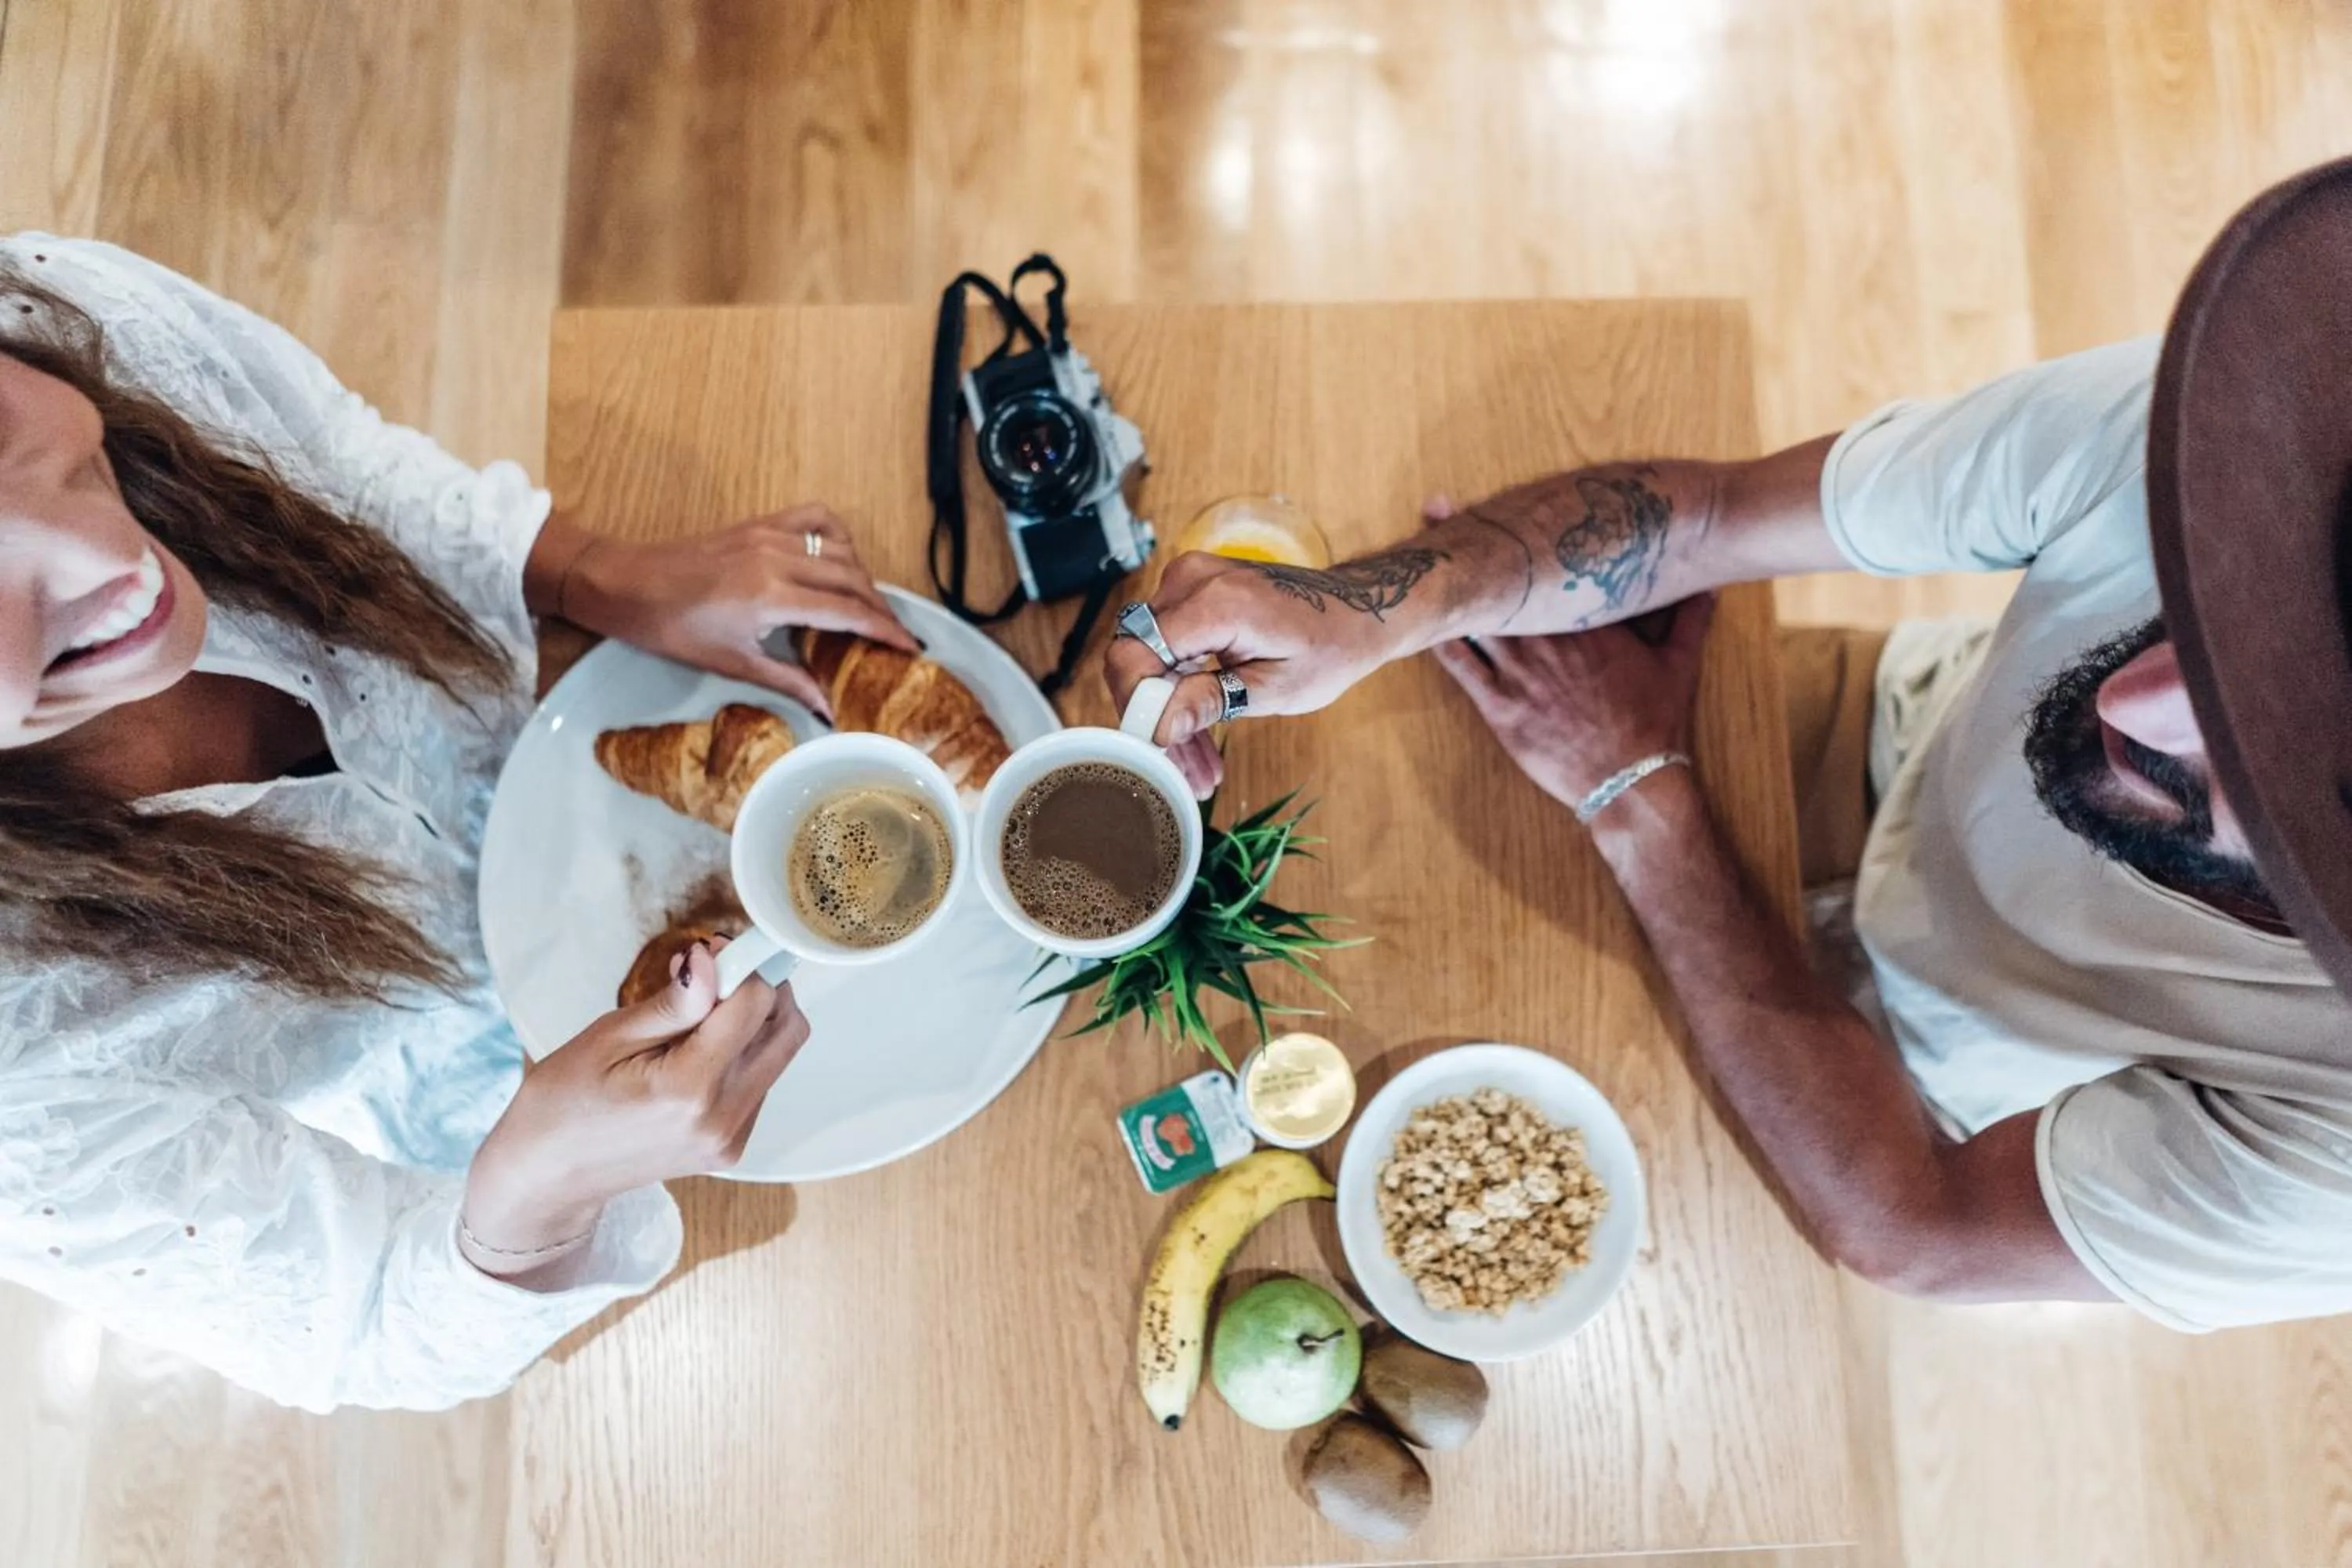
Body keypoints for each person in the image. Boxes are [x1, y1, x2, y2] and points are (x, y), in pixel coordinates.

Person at [1107, 159, 2352, 1332]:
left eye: (2259, 763)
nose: (2131, 703)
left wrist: (1643, 803)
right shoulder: (2251, 440)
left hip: (1911, 1093)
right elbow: (1705, 516)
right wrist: (1366, 607)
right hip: (1881, 730)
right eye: (2212, 614)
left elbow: (1915, 1224)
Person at [0, 236, 918, 1410]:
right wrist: (530, 1202)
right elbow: (362, 1321)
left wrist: (595, 571)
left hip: (557, 712)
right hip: (453, 1076)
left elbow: (333, 465)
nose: (117, 562)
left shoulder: (52, 305)